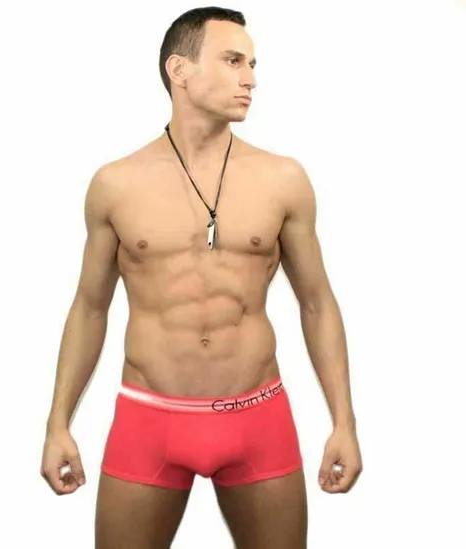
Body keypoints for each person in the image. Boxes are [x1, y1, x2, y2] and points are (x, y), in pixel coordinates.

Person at [40, 6, 363, 548]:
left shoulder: (283, 179)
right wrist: (57, 423)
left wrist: (344, 422)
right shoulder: (116, 185)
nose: (250, 78)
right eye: (233, 60)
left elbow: (317, 303)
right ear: (179, 70)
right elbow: (90, 307)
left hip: (257, 416)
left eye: (253, 64)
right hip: (150, 419)